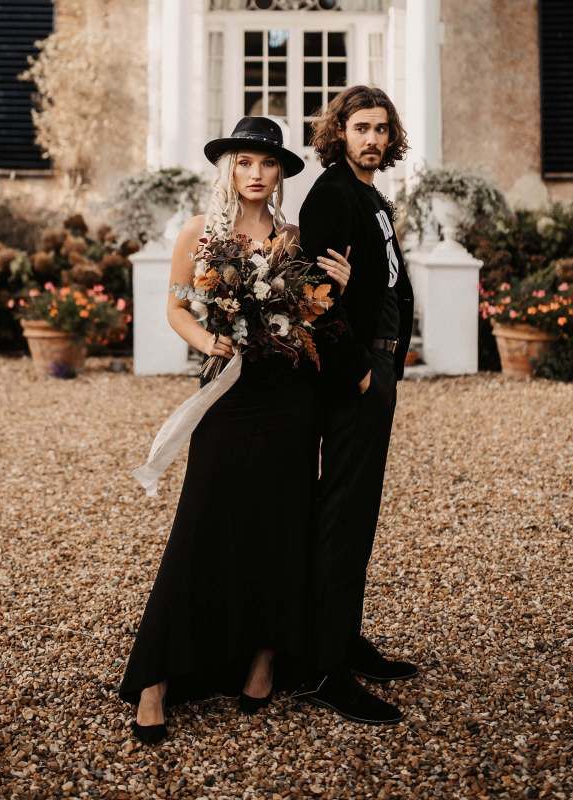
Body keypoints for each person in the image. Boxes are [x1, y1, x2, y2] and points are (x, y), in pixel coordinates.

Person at [117, 116, 353, 744]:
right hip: (228, 390)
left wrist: (340, 289)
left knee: (282, 521)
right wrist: (209, 340)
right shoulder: (200, 232)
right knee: (203, 520)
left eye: (268, 164)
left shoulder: (293, 240)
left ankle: (264, 658)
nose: (256, 174)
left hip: (288, 398)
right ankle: (156, 675)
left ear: (280, 174)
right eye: (245, 162)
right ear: (229, 168)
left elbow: (316, 311)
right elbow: (173, 306)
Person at [297, 86, 418, 724]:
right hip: (355, 374)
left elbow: (386, 280)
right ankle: (323, 669)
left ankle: (344, 638)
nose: (372, 138)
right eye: (360, 127)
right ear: (339, 132)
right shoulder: (331, 194)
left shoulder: (368, 194)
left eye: (380, 128)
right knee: (342, 512)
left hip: (380, 362)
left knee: (360, 509)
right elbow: (317, 300)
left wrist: (388, 364)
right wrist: (357, 377)